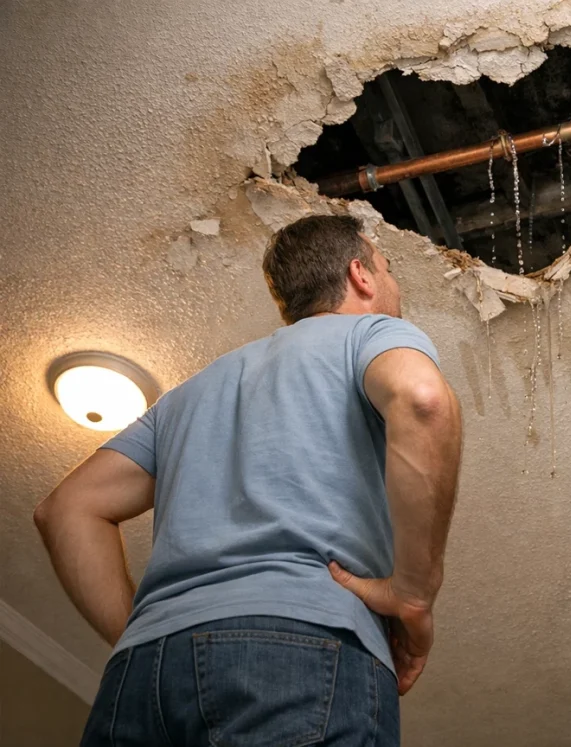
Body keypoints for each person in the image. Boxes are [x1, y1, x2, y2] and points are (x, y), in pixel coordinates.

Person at [34, 214, 463, 746]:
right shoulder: (370, 333)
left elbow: (66, 508)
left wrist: (147, 634)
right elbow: (423, 401)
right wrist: (413, 594)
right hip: (301, 643)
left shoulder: (189, 395)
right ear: (362, 275)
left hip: (141, 678)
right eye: (389, 268)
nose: (393, 283)